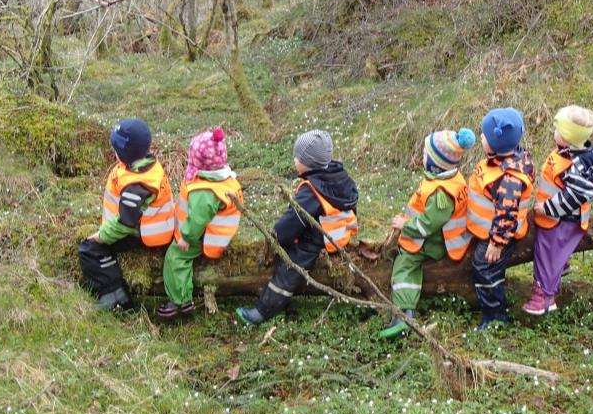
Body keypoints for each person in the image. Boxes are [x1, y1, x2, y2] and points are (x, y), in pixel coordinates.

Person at [235, 130, 358, 325]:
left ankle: (263, 310)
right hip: (340, 234)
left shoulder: (312, 191)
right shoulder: (338, 176)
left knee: (290, 268)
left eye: (298, 157)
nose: (294, 160)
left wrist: (277, 238)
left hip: (320, 241)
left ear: (308, 163)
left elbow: (293, 221)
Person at [379, 128, 476, 339]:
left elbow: (428, 225)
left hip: (437, 240)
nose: (422, 157)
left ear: (435, 162)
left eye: (425, 154)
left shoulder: (441, 193)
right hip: (441, 235)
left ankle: (404, 313)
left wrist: (405, 225)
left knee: (405, 261)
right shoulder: (451, 178)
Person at [79, 119, 175, 310]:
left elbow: (125, 223)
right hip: (143, 223)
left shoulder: (137, 187)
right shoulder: (144, 165)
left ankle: (115, 297)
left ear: (124, 153)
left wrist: (101, 236)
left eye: (115, 149)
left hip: (141, 232)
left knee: (90, 250)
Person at [522, 106, 593, 314]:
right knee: (555, 252)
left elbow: (575, 196)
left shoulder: (574, 164)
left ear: (566, 138)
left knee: (546, 253)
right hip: (562, 217)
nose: (553, 132)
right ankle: (561, 265)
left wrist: (548, 208)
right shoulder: (575, 153)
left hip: (562, 220)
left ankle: (544, 297)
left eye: (557, 130)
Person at [157, 128, 243, 318]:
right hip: (218, 229)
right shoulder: (223, 178)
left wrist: (186, 238)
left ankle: (180, 301)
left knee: (176, 257)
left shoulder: (204, 192)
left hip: (204, 235)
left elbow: (197, 220)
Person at [468, 108, 535, 331]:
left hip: (497, 234)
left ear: (494, 144)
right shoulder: (503, 158)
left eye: (484, 136)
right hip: (485, 228)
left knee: (485, 267)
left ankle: (495, 315)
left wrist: (497, 242)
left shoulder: (509, 179)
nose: (480, 137)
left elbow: (507, 214)